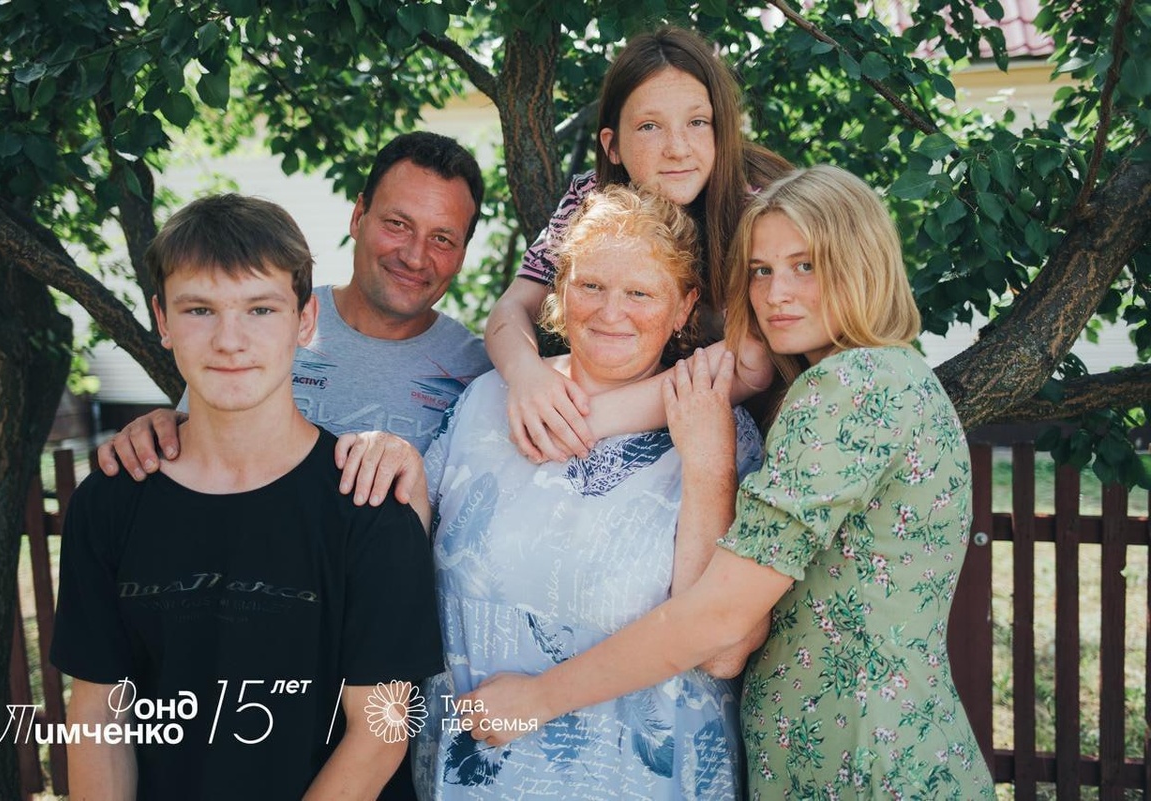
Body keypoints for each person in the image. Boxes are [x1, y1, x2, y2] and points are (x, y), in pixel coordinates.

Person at [463, 166, 997, 799]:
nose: (775, 294)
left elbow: (720, 616)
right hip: (864, 754)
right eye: (761, 271)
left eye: (805, 266)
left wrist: (539, 698)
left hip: (862, 767)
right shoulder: (890, 377)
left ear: (863, 265)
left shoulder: (851, 388)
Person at [51, 195, 444, 800]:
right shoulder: (109, 501)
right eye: (199, 309)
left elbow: (381, 731)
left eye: (260, 309)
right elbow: (100, 713)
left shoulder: (367, 507)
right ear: (162, 319)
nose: (229, 340)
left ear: (305, 320)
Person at [411, 185, 765, 800]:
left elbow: (723, 650)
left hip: (635, 782)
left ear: (684, 307)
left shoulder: (716, 426)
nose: (610, 312)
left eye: (640, 293)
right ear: (560, 290)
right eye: (591, 285)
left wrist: (708, 463)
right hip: (476, 775)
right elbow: (405, 551)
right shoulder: (486, 400)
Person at [98, 131, 492, 504]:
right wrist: (160, 430)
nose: (415, 257)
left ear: (462, 255)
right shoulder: (268, 319)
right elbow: (193, 445)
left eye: (442, 239)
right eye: (397, 224)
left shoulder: (478, 377)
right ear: (358, 216)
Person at [485, 26, 791, 464]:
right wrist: (526, 377)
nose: (678, 148)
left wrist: (586, 423)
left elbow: (752, 359)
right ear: (612, 146)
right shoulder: (589, 196)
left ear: (721, 131)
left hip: (762, 423)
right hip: (657, 407)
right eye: (650, 126)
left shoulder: (758, 207)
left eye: (697, 122)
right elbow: (513, 306)